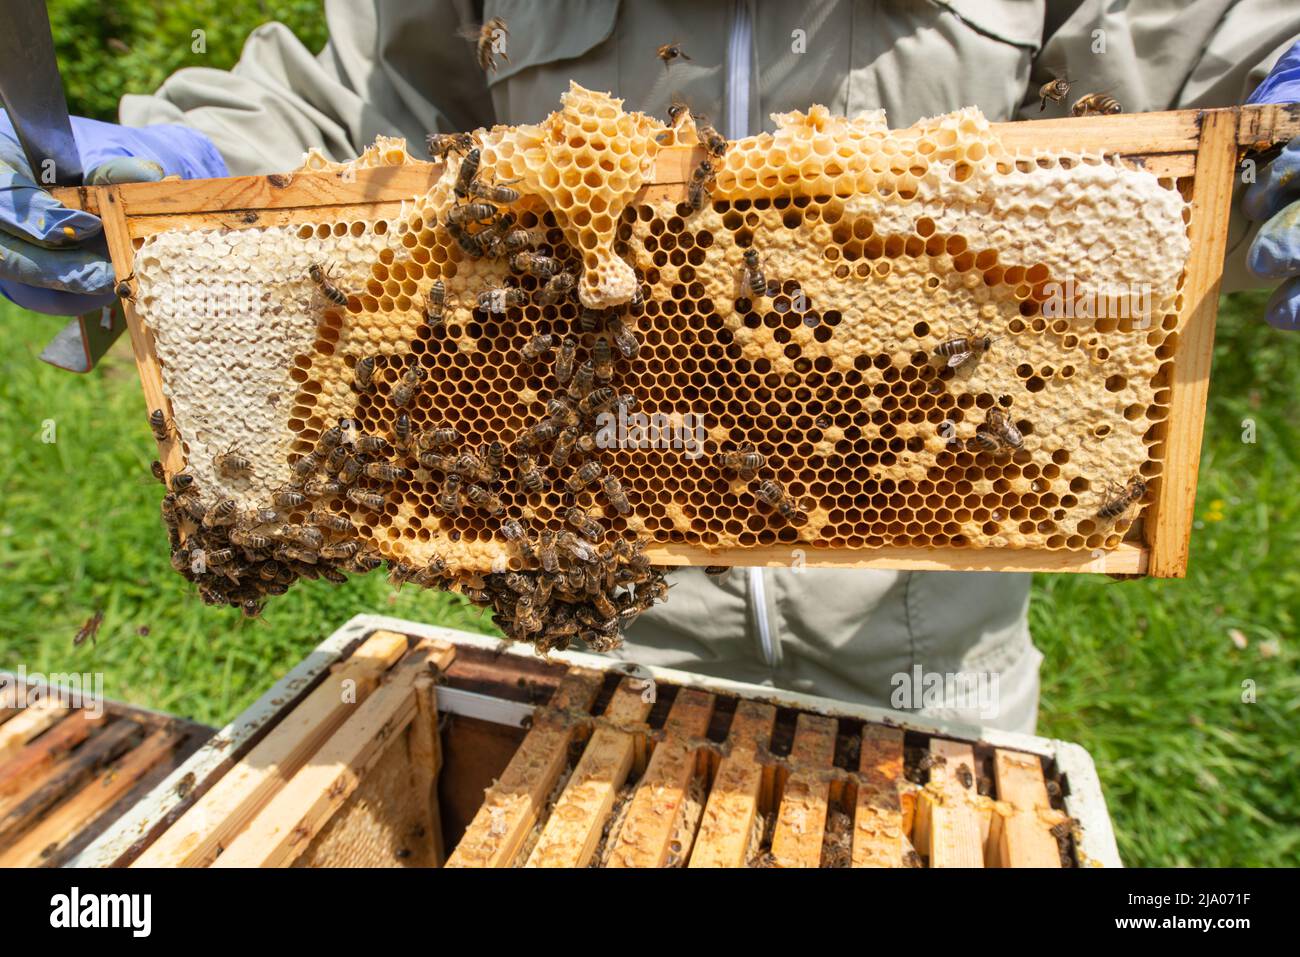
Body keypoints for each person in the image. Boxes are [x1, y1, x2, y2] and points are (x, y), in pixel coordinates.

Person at [3, 1, 1298, 733]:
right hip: (590, 645)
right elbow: (364, 107)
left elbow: (1212, 44)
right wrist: (179, 157)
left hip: (928, 670)